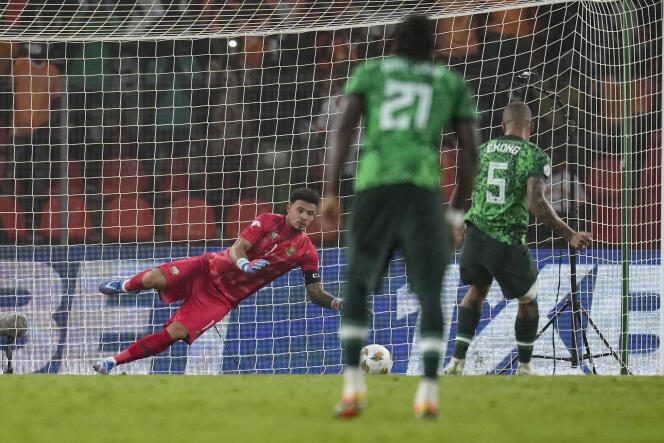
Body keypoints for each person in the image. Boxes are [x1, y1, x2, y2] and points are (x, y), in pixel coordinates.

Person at [321, 15, 479, 419]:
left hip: (374, 186)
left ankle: (353, 388)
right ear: (435, 46)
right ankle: (428, 392)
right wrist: (456, 213)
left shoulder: (371, 72)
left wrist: (330, 190)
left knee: (358, 284)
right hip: (421, 191)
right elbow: (469, 151)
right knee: (429, 289)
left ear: (393, 42)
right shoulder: (449, 82)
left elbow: (343, 129)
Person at [93, 188, 342, 374]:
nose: (304, 217)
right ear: (289, 208)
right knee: (151, 278)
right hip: (207, 268)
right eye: (300, 210)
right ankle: (124, 286)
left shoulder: (307, 252)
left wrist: (338, 304)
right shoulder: (267, 220)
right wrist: (245, 265)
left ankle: (112, 362)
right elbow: (238, 248)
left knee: (175, 333)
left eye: (310, 214)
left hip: (221, 298)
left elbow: (315, 292)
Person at [443, 102, 593, 376]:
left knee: (476, 291)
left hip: (475, 233)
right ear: (530, 126)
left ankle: (456, 362)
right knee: (529, 299)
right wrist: (569, 234)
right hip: (506, 239)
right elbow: (537, 203)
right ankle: (524, 367)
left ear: (503, 125)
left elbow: (462, 187)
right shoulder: (533, 155)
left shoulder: (483, 150)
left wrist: (453, 222)